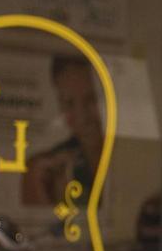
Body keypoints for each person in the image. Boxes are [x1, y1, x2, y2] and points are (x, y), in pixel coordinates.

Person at [21, 55, 104, 207]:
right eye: (69, 103)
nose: (82, 117)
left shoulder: (133, 159)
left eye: (91, 99)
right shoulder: (45, 172)